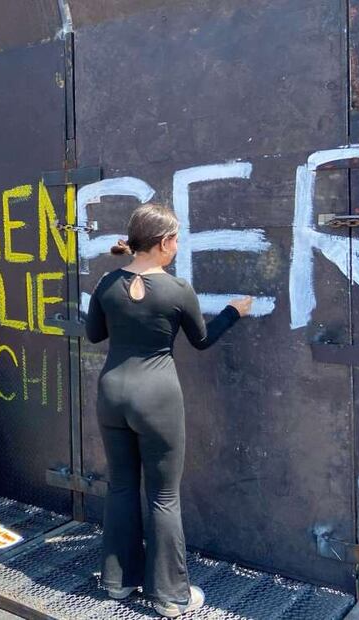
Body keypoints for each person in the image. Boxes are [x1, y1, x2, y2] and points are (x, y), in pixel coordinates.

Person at [85, 204, 252, 618]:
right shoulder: (178, 290)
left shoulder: (106, 284)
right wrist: (233, 312)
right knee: (162, 496)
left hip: (112, 394)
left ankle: (118, 582)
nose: (178, 246)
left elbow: (93, 334)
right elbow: (201, 339)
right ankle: (171, 596)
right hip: (156, 398)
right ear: (162, 243)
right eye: (175, 239)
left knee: (122, 486)